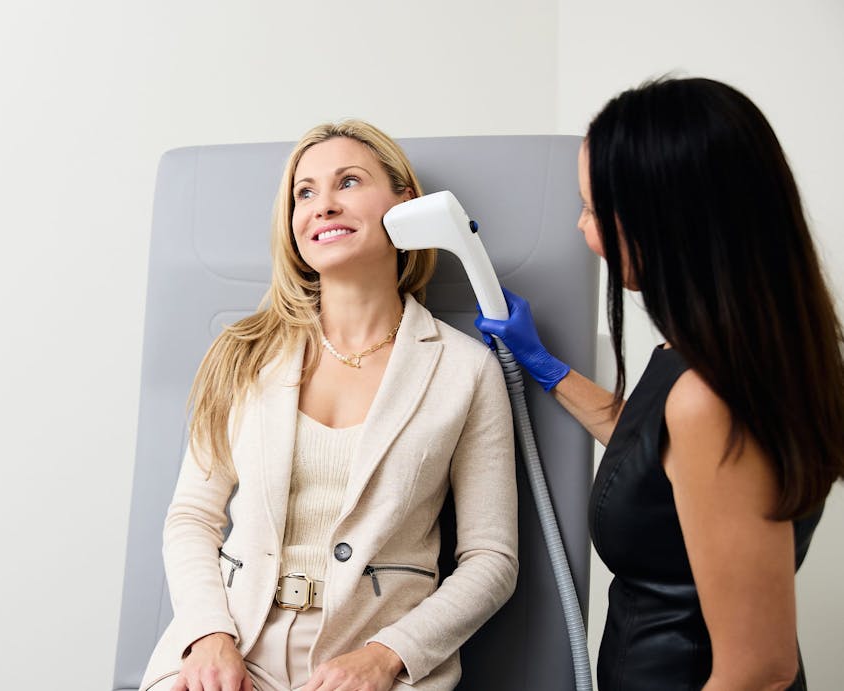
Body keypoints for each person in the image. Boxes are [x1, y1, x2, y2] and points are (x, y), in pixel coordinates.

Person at [476, 77, 844, 690]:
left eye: (594, 209)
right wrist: (544, 365)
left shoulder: (715, 399)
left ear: (665, 221)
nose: (582, 228)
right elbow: (656, 454)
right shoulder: (728, 352)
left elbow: (759, 673)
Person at [139, 120, 518, 691]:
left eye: (349, 181)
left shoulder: (465, 369)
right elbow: (191, 517)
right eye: (305, 192)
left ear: (406, 207)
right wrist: (207, 635)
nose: (324, 205)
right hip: (230, 652)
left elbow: (492, 560)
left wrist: (388, 655)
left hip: (377, 665)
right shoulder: (243, 353)